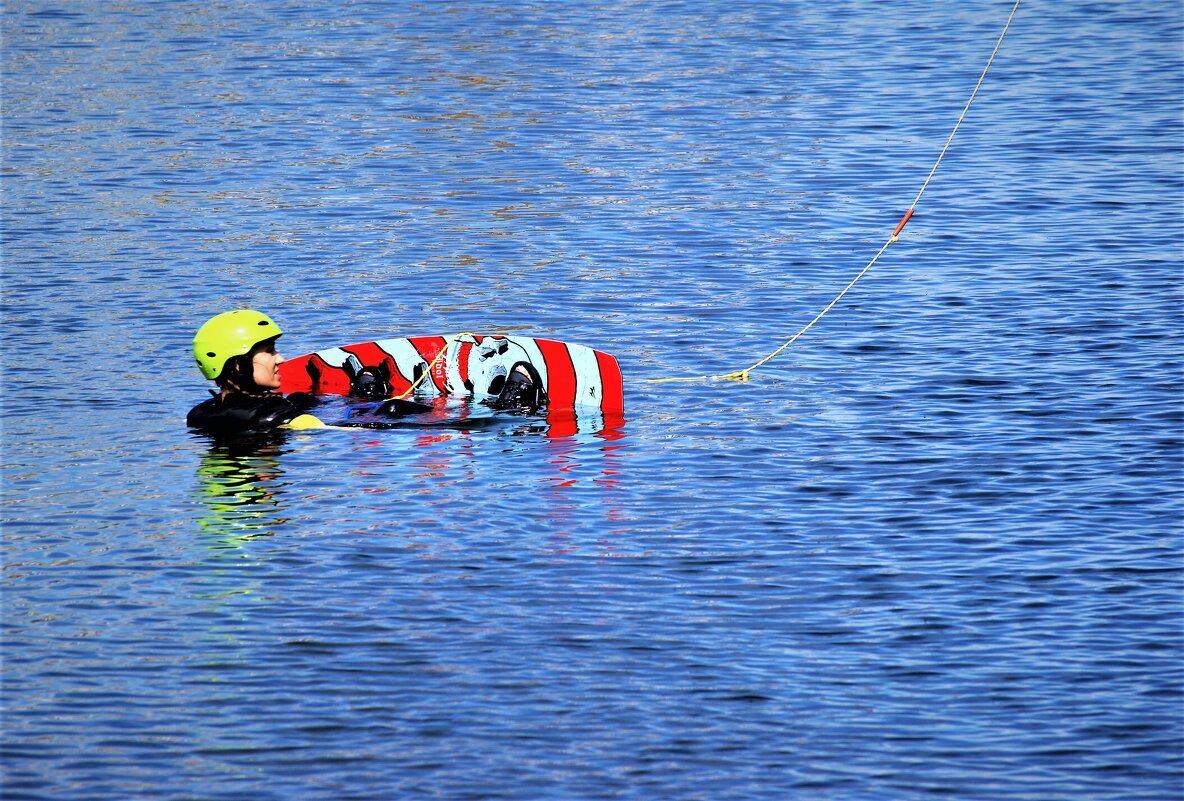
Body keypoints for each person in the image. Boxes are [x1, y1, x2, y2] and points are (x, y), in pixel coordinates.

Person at [187, 310, 326, 434]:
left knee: (299, 398)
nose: (280, 359)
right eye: (269, 351)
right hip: (266, 453)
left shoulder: (198, 414)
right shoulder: (281, 415)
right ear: (238, 365)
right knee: (304, 399)